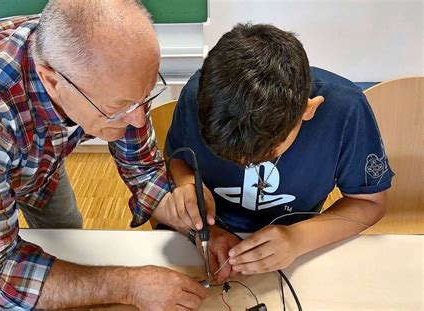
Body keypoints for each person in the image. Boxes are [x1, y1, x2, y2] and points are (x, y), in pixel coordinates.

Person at [0, 0, 208, 309]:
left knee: (67, 230)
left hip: (38, 159)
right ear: (52, 82)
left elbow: (142, 167)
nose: (139, 120)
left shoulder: (99, 64)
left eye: (144, 97)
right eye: (120, 107)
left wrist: (181, 211)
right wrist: (128, 285)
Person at [157, 23, 393, 283]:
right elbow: (177, 157)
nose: (246, 164)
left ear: (307, 110)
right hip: (206, 235)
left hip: (297, 244)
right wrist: (189, 185)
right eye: (227, 154)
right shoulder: (198, 96)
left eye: (267, 153)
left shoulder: (346, 110)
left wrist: (298, 239)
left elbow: (370, 202)